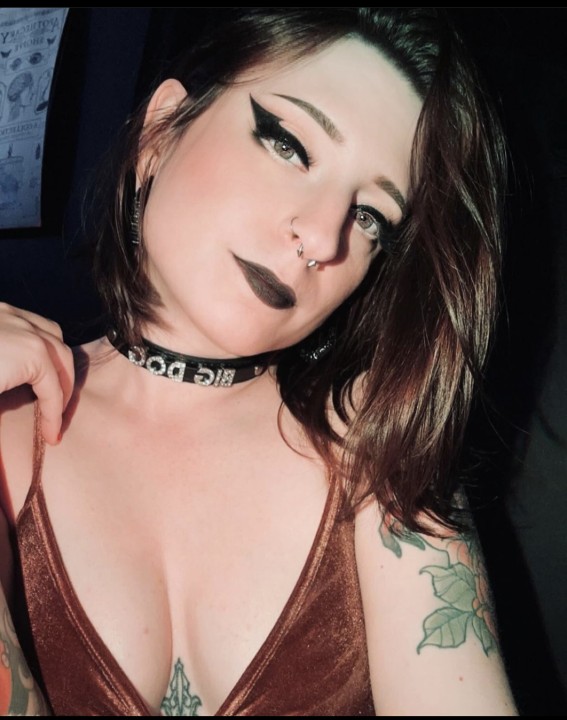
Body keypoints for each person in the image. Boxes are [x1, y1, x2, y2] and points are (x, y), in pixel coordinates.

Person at [0, 7, 519, 716]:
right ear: (160, 132)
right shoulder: (9, 416)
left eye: (370, 216)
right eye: (289, 145)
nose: (323, 238)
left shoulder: (381, 448)